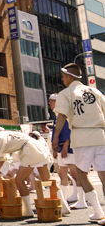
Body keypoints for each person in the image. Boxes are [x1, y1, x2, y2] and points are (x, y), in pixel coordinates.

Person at [0, 126, 71, 217]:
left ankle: (28, 211)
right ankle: (65, 207)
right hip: (36, 147)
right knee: (47, 180)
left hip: (29, 150)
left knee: (19, 180)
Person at [52, 63, 105, 222]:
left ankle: (98, 211)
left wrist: (55, 138)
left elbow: (61, 116)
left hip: (81, 136)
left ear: (69, 76)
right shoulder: (96, 91)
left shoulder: (66, 93)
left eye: (63, 77)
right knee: (104, 174)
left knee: (82, 174)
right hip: (100, 135)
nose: (62, 80)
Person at [49, 93, 84, 208]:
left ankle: (81, 200)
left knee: (74, 174)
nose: (50, 103)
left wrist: (65, 146)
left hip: (68, 148)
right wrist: (55, 149)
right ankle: (63, 200)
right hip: (60, 148)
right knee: (62, 173)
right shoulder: (57, 115)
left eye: (52, 101)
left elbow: (68, 131)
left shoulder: (64, 114)